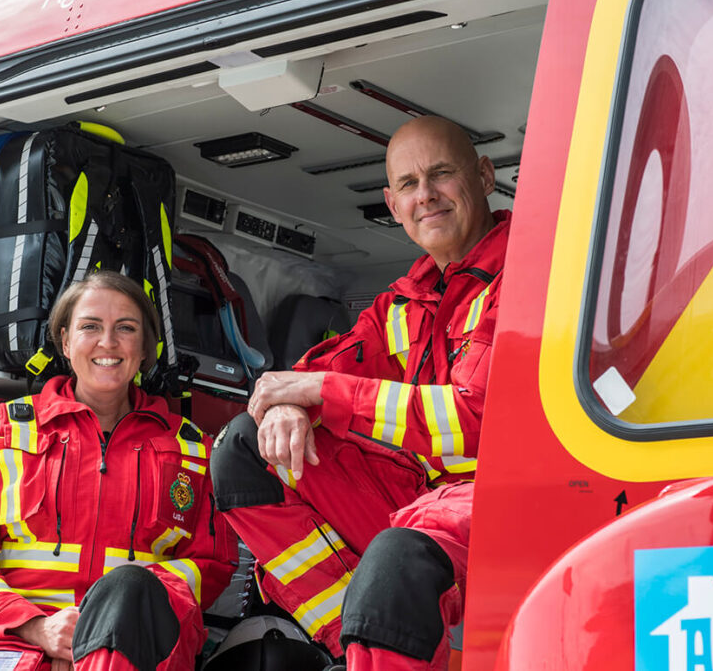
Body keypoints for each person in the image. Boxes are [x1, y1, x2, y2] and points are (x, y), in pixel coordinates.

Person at [210, 116, 510, 670]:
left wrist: (321, 392)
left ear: (486, 176)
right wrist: (284, 401)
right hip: (419, 498)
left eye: (442, 174)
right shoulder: (402, 301)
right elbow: (310, 371)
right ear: (392, 205)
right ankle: (355, 644)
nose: (426, 195)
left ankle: (381, 629)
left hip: (506, 497)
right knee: (243, 447)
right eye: (409, 185)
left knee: (396, 558)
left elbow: (478, 418)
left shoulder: (531, 274)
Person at [0, 270, 236, 671]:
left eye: (125, 329)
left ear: (145, 347)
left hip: (138, 652)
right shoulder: (6, 429)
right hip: (20, 648)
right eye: (90, 326)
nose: (107, 343)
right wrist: (36, 628)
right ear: (66, 341)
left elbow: (211, 566)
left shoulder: (192, 449)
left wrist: (111, 630)